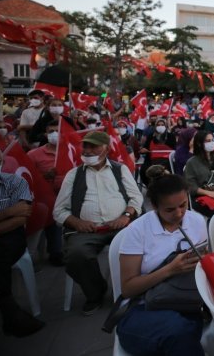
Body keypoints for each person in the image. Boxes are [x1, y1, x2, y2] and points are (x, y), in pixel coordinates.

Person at [116, 167, 207, 356]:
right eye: (170, 209)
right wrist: (170, 270)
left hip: (187, 302)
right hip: (144, 307)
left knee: (182, 333)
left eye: (183, 204)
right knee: (179, 332)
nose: (180, 213)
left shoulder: (197, 221)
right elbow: (128, 288)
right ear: (155, 206)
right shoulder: (137, 230)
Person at [53, 131, 143, 315]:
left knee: (135, 250)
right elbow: (58, 211)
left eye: (93, 146)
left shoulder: (120, 169)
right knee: (76, 256)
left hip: (120, 226)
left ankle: (132, 290)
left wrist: (126, 216)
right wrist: (76, 222)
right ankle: (95, 292)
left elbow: (136, 198)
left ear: (106, 149)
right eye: (85, 146)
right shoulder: (74, 174)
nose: (87, 150)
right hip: (86, 231)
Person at [0, 145, 45, 355]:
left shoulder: (14, 182)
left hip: (9, 238)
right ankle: (10, 312)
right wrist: (7, 212)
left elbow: (22, 217)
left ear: (1, 163)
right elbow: (14, 213)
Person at [27, 120, 66, 265]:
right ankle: (55, 252)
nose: (55, 134)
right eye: (51, 131)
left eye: (58, 131)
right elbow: (28, 179)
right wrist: (45, 178)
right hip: (45, 197)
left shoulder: (71, 152)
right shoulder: (34, 154)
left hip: (69, 196)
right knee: (52, 210)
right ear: (45, 134)